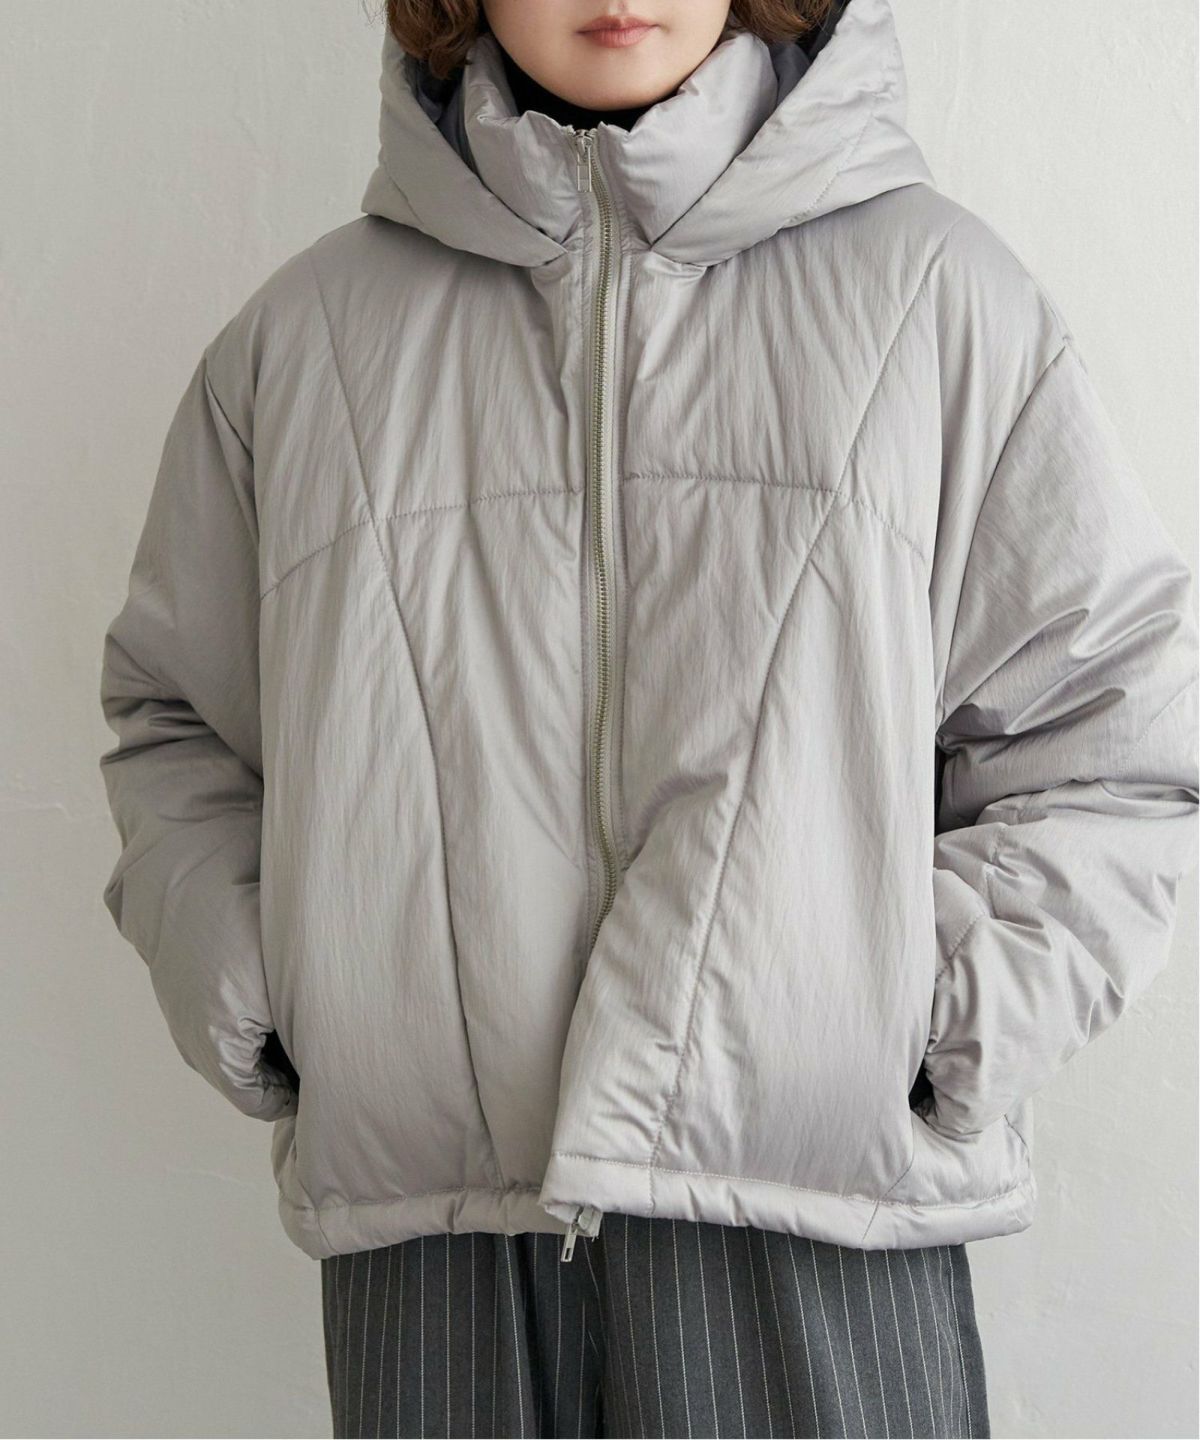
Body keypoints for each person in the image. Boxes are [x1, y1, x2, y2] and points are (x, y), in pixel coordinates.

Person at [96, 0, 1198, 1436]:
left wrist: (932, 1019)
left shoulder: (943, 301)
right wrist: (271, 983)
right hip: (437, 1247)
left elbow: (1109, 733)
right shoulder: (302, 343)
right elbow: (179, 722)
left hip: (821, 1219)